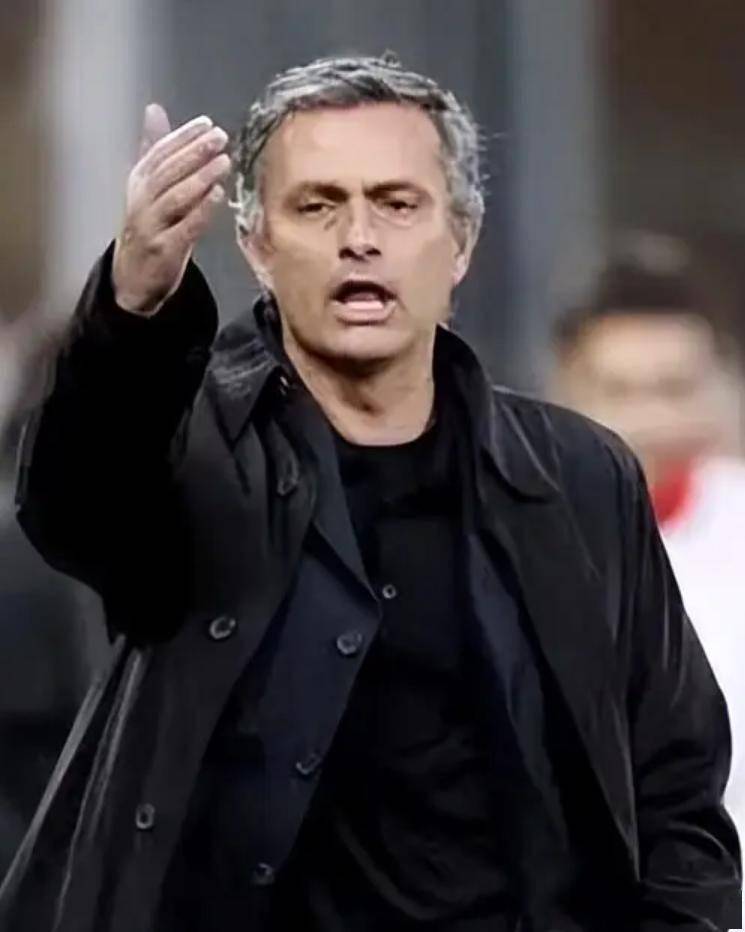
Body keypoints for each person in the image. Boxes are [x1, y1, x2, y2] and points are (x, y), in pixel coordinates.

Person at [0, 55, 739, 931]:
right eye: (318, 205)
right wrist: (131, 307)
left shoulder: (576, 478)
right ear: (256, 245)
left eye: (396, 203)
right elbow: (72, 507)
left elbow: (674, 785)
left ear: (460, 241)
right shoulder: (194, 454)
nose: (359, 237)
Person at [552, 241, 745, 915]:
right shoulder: (508, 533)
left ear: (722, 386)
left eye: (674, 389)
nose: (647, 420)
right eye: (619, 392)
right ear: (566, 389)